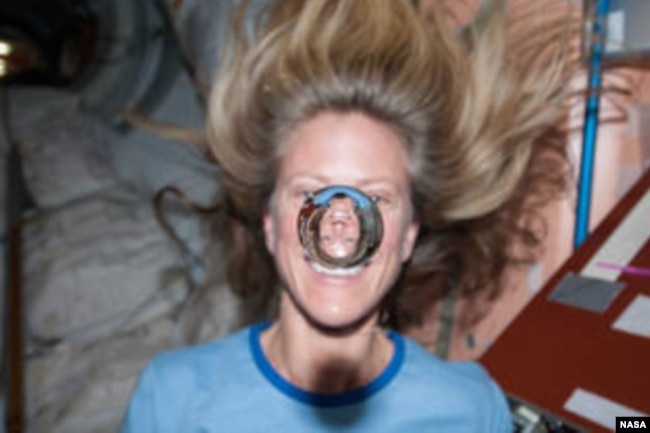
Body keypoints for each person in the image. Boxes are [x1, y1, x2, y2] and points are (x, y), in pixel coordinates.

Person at [121, 0, 580, 431]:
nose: (340, 220)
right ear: (270, 223)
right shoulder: (173, 398)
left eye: (375, 198)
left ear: (406, 235)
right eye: (310, 193)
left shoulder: (472, 407)